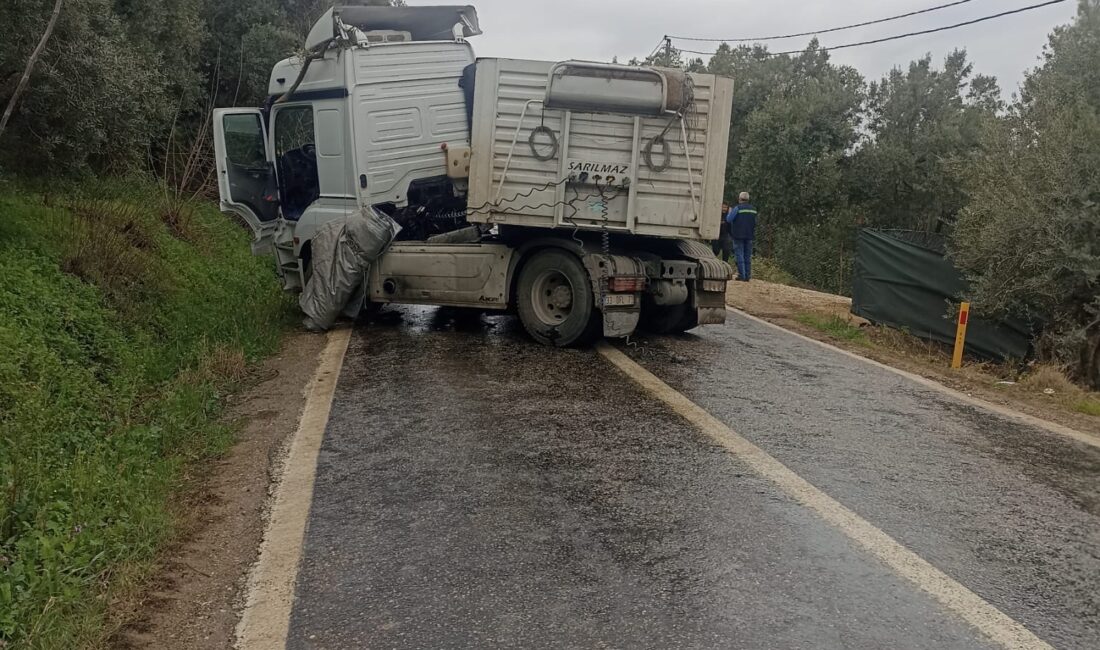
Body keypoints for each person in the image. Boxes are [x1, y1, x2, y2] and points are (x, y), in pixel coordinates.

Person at [726, 191, 758, 282]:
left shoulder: (737, 208)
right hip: (749, 235)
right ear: (748, 199)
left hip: (738, 235)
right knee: (747, 256)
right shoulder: (753, 209)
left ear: (739, 199)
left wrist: (729, 212)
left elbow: (729, 219)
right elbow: (755, 222)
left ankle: (741, 275)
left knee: (739, 255)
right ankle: (747, 276)